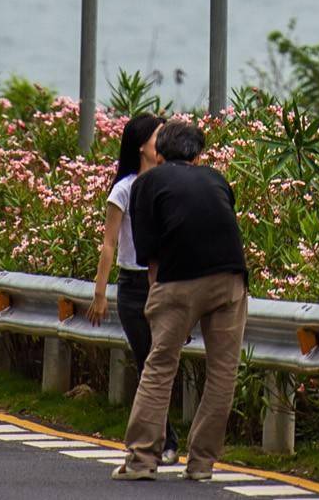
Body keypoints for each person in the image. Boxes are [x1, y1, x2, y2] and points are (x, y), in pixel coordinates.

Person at [116, 118, 247, 481]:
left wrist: (159, 303)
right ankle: (202, 465)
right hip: (230, 279)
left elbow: (149, 256)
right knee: (222, 373)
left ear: (159, 152)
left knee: (159, 366)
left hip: (178, 281)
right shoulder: (216, 178)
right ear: (198, 154)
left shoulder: (146, 183)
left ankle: (141, 461)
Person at [88, 114, 175, 464]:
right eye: (159, 136)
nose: (164, 143)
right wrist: (99, 293)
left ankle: (162, 439)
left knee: (161, 362)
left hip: (165, 283)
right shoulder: (123, 189)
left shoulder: (169, 185)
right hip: (132, 285)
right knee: (148, 362)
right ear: (141, 145)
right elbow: (109, 243)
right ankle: (164, 440)